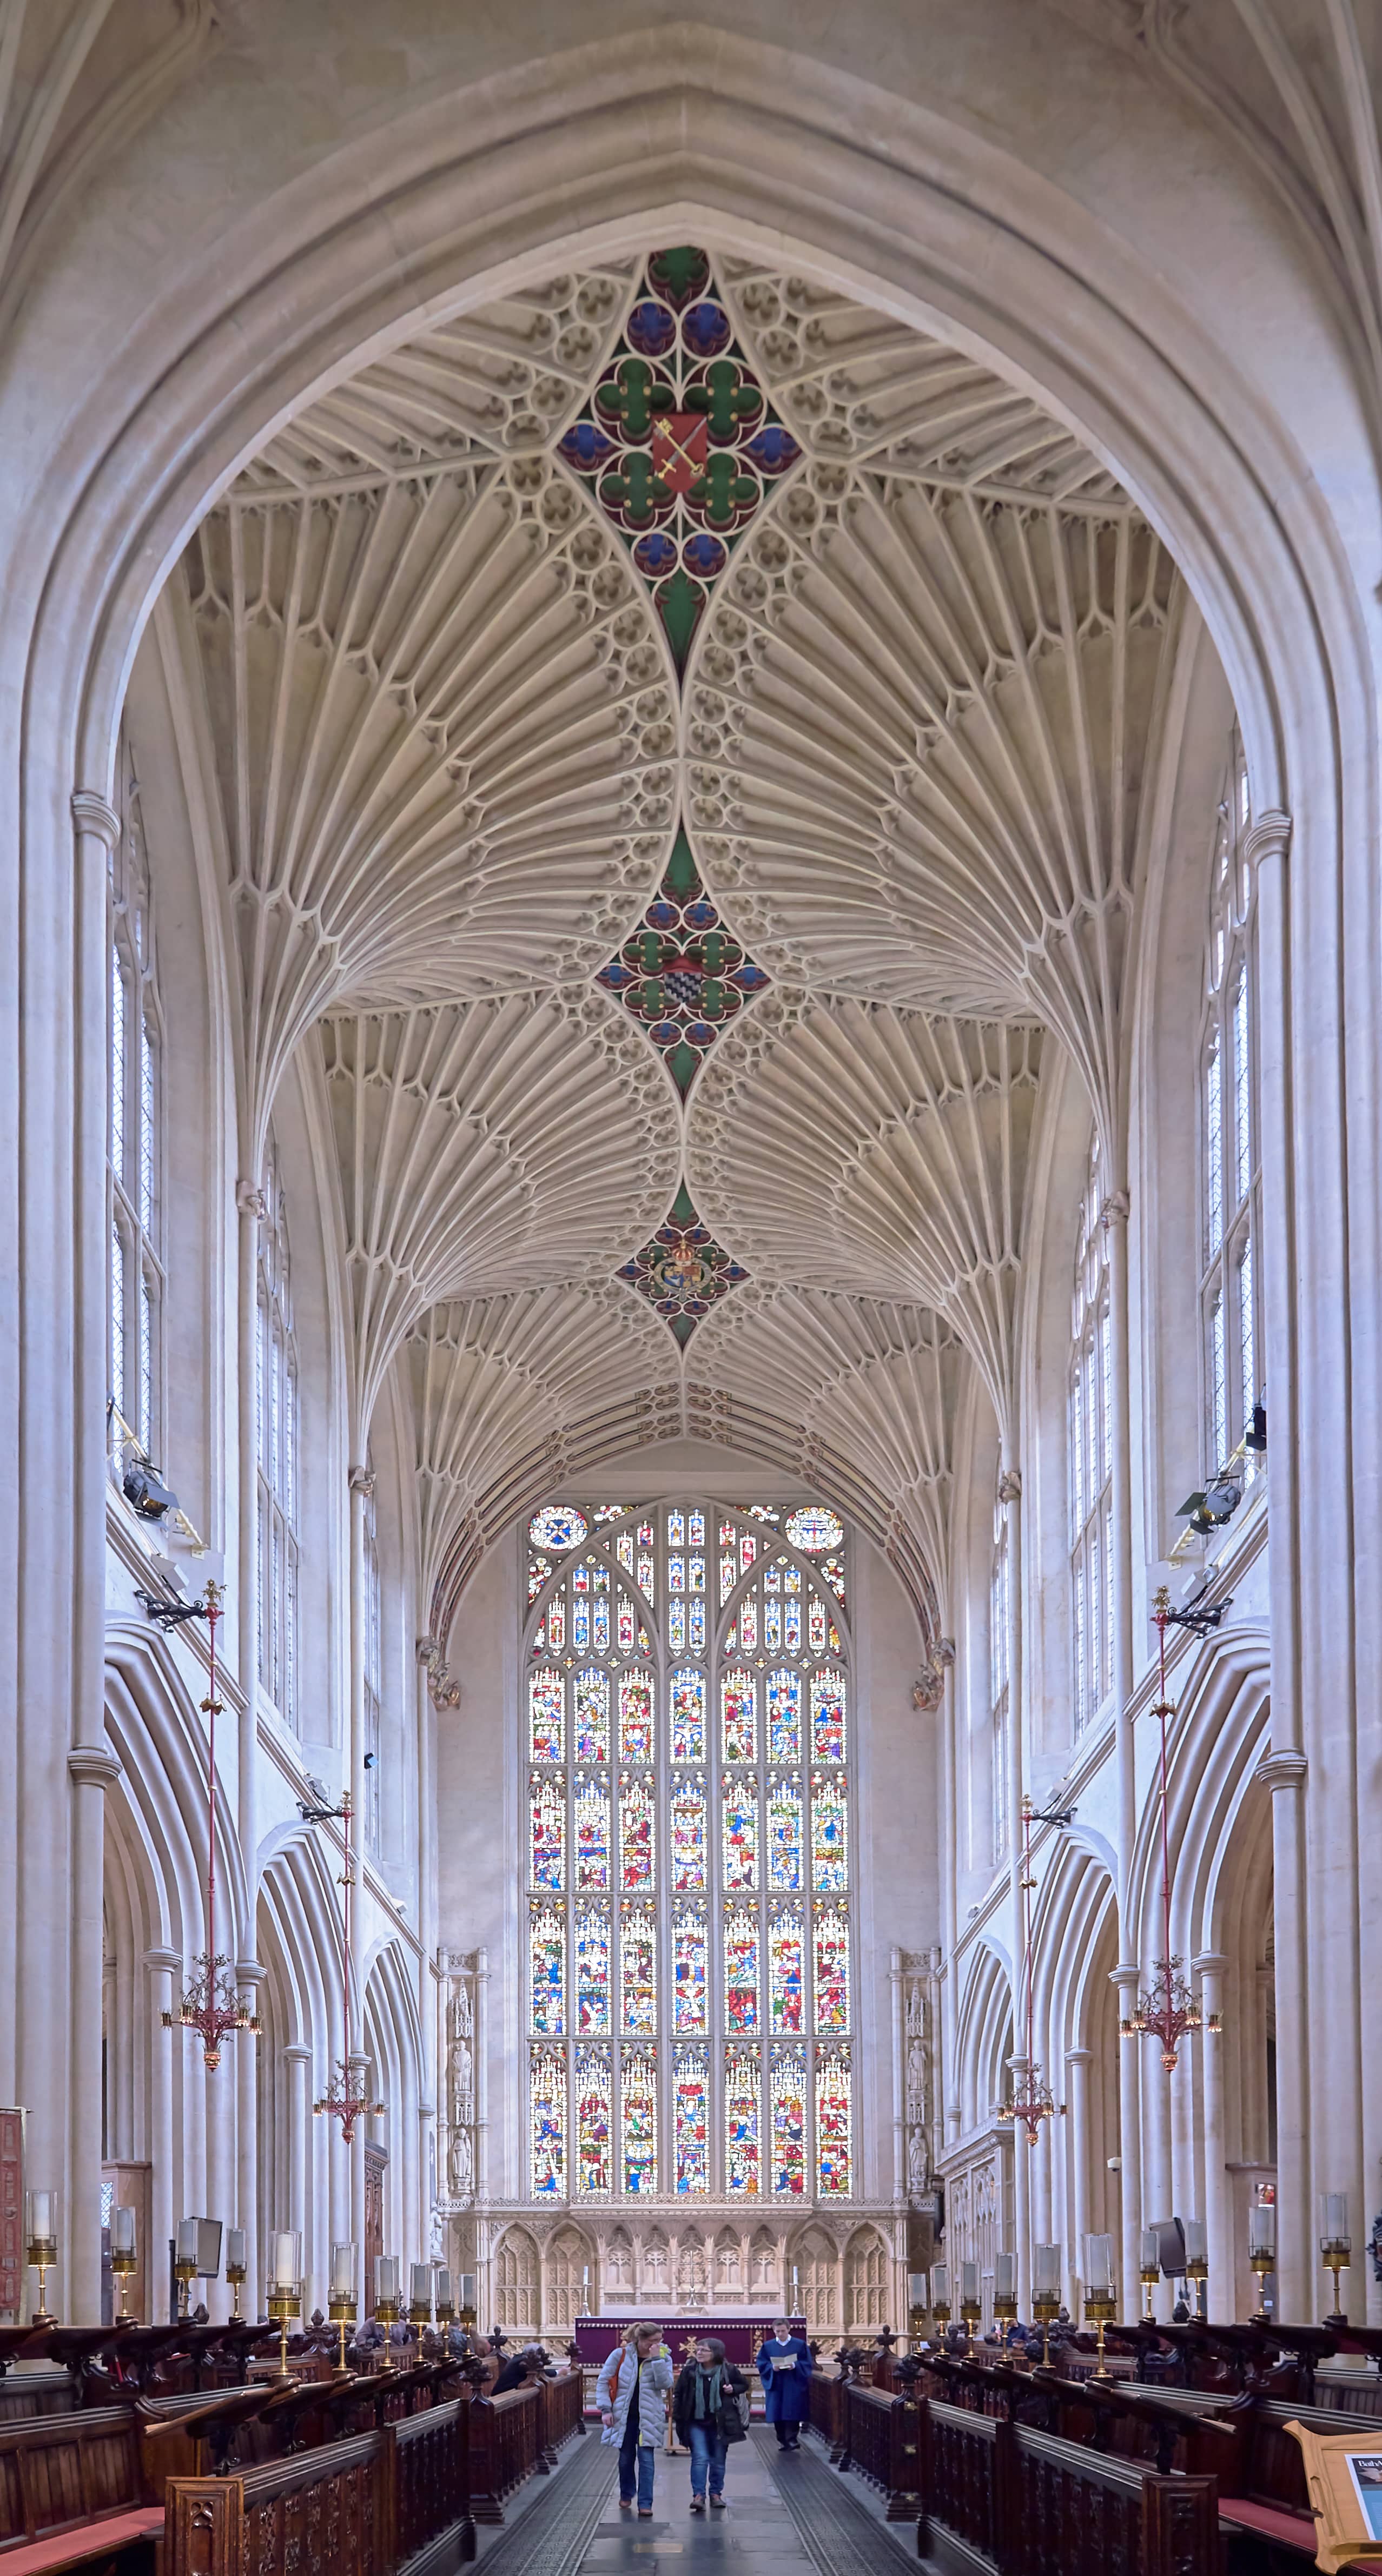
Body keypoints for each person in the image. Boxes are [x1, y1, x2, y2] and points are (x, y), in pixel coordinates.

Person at [597, 2323, 673, 2517]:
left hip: (649, 2416)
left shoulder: (664, 2356)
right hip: (625, 2415)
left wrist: (657, 2359)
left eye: (659, 2340)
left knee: (647, 2460)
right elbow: (604, 2381)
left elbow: (665, 2384)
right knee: (626, 2459)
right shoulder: (620, 2355)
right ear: (639, 2339)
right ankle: (627, 2492)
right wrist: (606, 2409)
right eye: (652, 2341)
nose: (656, 2344)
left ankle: (646, 2503)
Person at [672, 2336, 748, 2513]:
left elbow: (743, 2384)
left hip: (720, 2422)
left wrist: (733, 2389)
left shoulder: (728, 2370)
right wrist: (678, 2417)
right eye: (698, 2350)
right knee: (700, 2458)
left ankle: (715, 2494)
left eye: (704, 2350)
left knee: (718, 2460)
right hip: (695, 2421)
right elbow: (679, 2394)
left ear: (716, 2353)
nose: (699, 2353)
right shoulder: (690, 2371)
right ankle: (698, 2496)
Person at [758, 2315, 812, 2450]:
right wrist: (772, 2367)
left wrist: (795, 2366)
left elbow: (807, 2363)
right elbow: (762, 2363)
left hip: (793, 2381)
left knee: (792, 2409)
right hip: (776, 2382)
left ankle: (792, 2438)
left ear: (789, 2329)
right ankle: (782, 2439)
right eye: (778, 2331)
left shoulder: (799, 2345)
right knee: (777, 2411)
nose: (781, 2334)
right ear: (774, 2331)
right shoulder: (768, 2346)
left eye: (783, 2331)